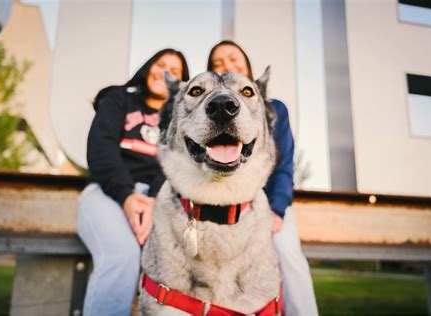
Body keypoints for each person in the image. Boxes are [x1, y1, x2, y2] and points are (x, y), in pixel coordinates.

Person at [207, 40, 319, 316]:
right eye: (218, 64)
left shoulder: (275, 109)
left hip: (266, 202)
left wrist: (277, 210)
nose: (227, 66)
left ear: (247, 65)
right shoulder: (206, 109)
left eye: (233, 59)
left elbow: (283, 166)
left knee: (288, 256)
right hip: (221, 202)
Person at [77, 48, 190, 316]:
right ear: (148, 66)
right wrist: (127, 196)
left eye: (174, 71)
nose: (165, 73)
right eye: (160, 64)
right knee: (121, 256)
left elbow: (173, 166)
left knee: (174, 266)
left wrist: (153, 201)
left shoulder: (180, 121)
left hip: (159, 200)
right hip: (107, 194)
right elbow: (100, 151)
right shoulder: (118, 99)